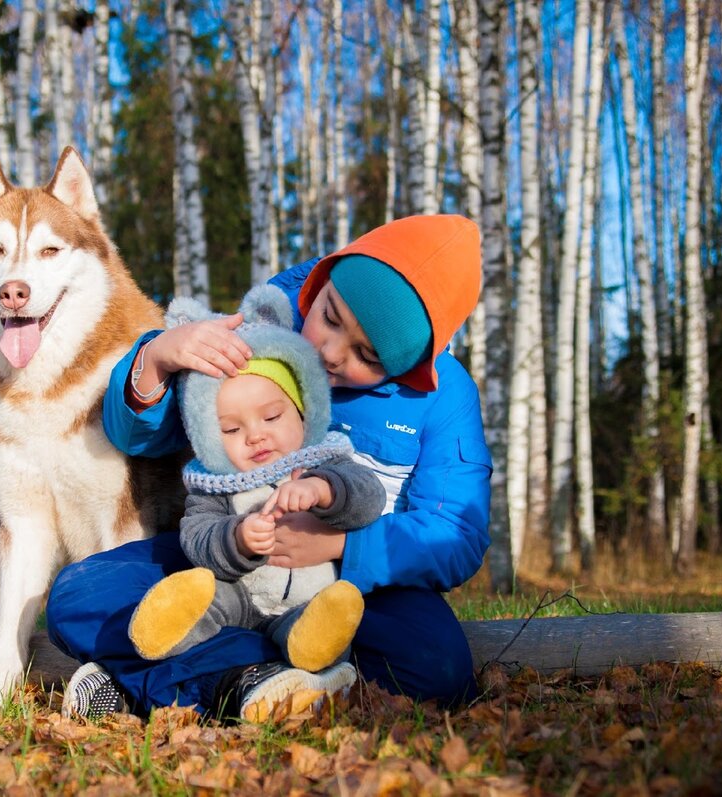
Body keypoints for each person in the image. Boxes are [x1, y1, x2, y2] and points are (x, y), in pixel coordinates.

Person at [47, 214, 492, 722]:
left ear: (407, 366)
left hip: (351, 586)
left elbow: (454, 533)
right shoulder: (267, 330)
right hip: (219, 559)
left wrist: (340, 546)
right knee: (78, 597)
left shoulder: (442, 397)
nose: (328, 351)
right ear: (325, 278)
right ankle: (256, 682)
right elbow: (144, 436)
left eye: (366, 355)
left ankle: (173, 678)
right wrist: (158, 360)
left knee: (439, 668)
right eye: (331, 316)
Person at [126, 285, 386, 721]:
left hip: (307, 595)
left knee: (316, 620)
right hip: (241, 597)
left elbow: (368, 497)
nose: (255, 436)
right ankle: (168, 627)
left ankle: (314, 646)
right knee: (209, 594)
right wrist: (239, 539)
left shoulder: (327, 459)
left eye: (271, 417)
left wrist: (323, 491)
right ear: (207, 435)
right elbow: (198, 537)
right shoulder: (213, 484)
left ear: (304, 410)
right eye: (230, 429)